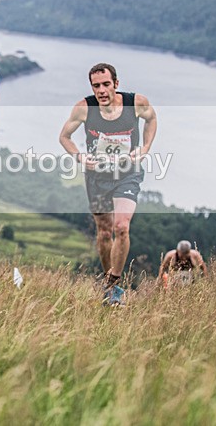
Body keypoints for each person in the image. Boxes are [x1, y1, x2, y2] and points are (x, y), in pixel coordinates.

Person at [59, 63, 157, 306]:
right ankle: (108, 282)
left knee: (121, 226)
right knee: (104, 231)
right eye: (96, 86)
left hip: (127, 173)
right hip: (97, 177)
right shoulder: (84, 108)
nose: (101, 90)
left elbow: (152, 118)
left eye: (106, 84)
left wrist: (144, 149)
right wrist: (81, 158)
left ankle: (114, 284)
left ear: (116, 84)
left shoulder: (135, 103)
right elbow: (64, 137)